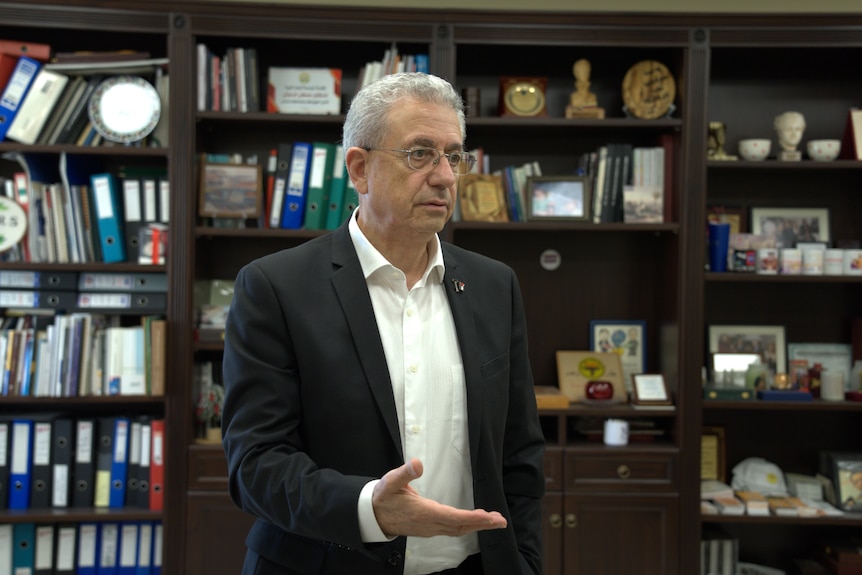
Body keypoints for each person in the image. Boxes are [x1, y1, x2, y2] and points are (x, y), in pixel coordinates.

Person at [221, 72, 546, 575]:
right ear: (359, 168)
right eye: (420, 154)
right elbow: (255, 465)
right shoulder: (275, 287)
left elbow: (520, 453)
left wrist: (524, 561)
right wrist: (370, 508)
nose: (443, 176)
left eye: (454, 156)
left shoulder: (493, 286)